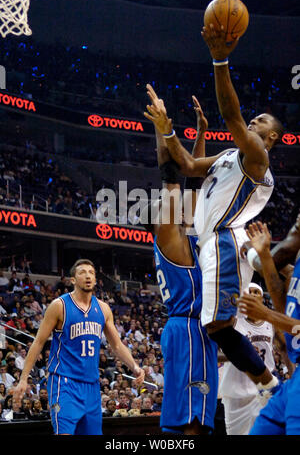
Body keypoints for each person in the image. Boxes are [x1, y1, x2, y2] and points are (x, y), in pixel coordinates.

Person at [144, 22, 284, 392]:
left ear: (271, 138)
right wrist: (169, 130)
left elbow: (233, 116)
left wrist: (220, 60)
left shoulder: (257, 156)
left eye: (261, 122)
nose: (254, 121)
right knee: (221, 326)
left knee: (219, 326)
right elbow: (188, 166)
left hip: (224, 236)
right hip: (216, 240)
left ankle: (271, 384)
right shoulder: (231, 155)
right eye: (255, 118)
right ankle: (269, 382)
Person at [143, 89, 219, 435]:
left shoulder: (181, 234)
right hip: (187, 327)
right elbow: (171, 178)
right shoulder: (168, 237)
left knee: (192, 416)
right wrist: (163, 127)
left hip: (190, 329)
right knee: (192, 420)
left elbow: (194, 181)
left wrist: (202, 132)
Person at [13, 259, 144, 435]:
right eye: (82, 272)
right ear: (73, 280)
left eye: (91, 273)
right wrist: (23, 378)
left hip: (92, 385)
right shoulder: (59, 306)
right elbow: (38, 342)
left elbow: (117, 345)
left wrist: (134, 367)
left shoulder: (103, 309)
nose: (88, 276)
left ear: (96, 280)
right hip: (64, 382)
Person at [238, 216, 300, 434]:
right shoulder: (297, 264)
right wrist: (264, 256)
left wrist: (267, 314)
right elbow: (284, 307)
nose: (297, 221)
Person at [219, 283, 276, 435]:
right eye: (249, 291)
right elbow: (218, 353)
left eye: (256, 291)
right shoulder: (233, 321)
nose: (252, 294)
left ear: (262, 298)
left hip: (263, 386)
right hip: (235, 390)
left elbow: (278, 352)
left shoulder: (271, 323)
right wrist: (242, 353)